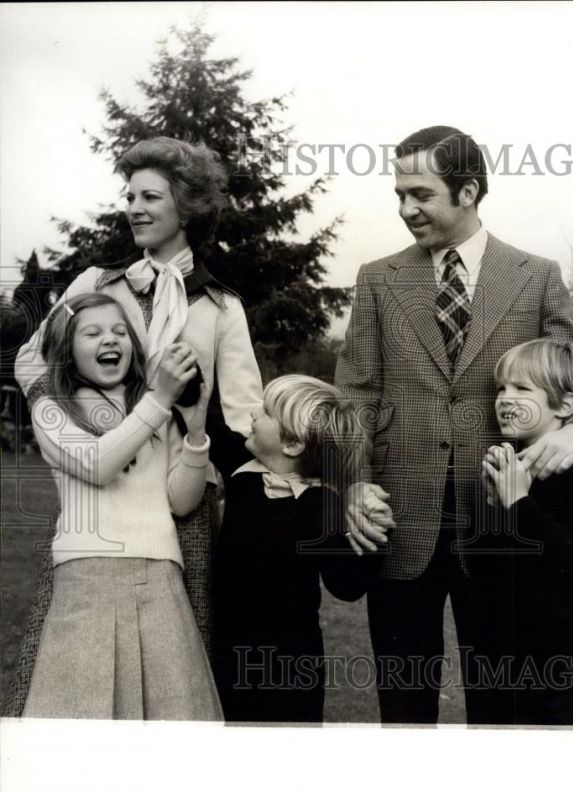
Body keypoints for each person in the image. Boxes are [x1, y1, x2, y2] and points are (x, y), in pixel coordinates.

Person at [335, 125, 573, 724]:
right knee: (404, 710)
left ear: (468, 192)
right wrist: (351, 483)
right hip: (398, 523)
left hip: (499, 529)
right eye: (399, 194)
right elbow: (353, 393)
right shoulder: (379, 279)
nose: (406, 209)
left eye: (421, 194)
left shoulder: (535, 276)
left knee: (502, 708)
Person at [5, 136, 263, 716]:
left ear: (187, 206)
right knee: (77, 661)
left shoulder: (220, 307)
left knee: (178, 669)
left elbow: (246, 417)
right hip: (94, 494)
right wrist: (66, 416)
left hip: (181, 501)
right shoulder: (97, 283)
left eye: (150, 196)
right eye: (130, 195)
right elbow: (30, 358)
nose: (134, 207)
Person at [23, 292, 222, 719]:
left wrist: (197, 428)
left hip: (160, 576)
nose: (109, 340)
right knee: (85, 729)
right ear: (67, 349)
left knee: (170, 728)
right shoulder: (51, 408)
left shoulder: (155, 410)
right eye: (91, 333)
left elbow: (182, 501)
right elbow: (98, 464)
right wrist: (160, 400)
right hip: (87, 580)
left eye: (119, 331)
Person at [209, 375, 382, 723]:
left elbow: (346, 585)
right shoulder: (242, 472)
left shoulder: (321, 506)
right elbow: (210, 425)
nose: (254, 415)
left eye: (267, 412)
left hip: (291, 666)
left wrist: (374, 533)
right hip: (228, 651)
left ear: (292, 444)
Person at [476, 339, 573, 725]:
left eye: (522, 389)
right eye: (501, 388)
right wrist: (495, 508)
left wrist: (519, 505)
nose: (505, 399)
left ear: (564, 406)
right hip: (517, 669)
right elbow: (492, 578)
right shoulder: (511, 469)